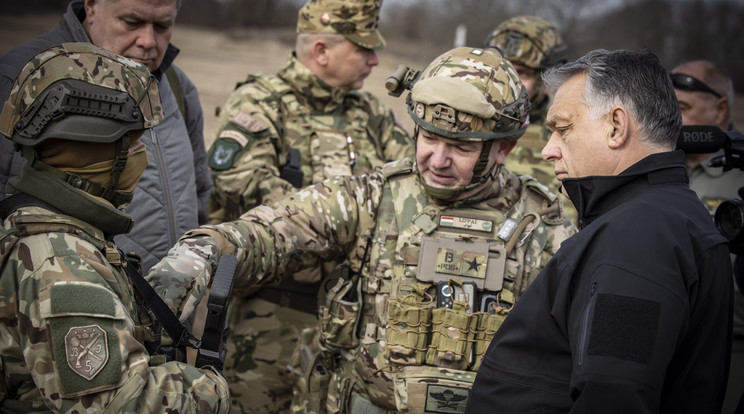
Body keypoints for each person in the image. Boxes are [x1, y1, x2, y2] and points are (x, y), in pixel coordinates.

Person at [147, 46, 576, 413]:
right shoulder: (373, 197)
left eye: (461, 148)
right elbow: (276, 230)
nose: (437, 160)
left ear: (505, 148)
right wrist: (205, 250)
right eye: (428, 138)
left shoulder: (546, 227)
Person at [467, 49, 733, 413]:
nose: (548, 150)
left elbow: (614, 395)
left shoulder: (638, 237)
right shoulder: (667, 215)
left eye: (563, 129)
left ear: (615, 126)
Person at [205, 0, 414, 412]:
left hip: (353, 327)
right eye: (363, 48)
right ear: (322, 51)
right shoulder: (261, 103)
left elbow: (409, 185)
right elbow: (242, 185)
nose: (375, 60)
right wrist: (351, 226)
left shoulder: (371, 112)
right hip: (273, 318)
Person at [0, 42, 228, 413]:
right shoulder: (62, 265)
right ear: (95, 148)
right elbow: (123, 403)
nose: (143, 154)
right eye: (134, 141)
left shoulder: (33, 218)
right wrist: (210, 386)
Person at [0, 0, 211, 273]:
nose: (148, 41)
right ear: (91, 6)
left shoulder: (178, 88)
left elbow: (201, 193)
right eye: (132, 22)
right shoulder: (21, 81)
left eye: (162, 26)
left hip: (167, 308)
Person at [670, 59, 744, 414]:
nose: (671, 118)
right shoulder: (659, 166)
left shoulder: (741, 176)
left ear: (720, 109)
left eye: (682, 108)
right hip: (662, 347)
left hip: (731, 353)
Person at [484, 15, 576, 222]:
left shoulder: (568, 135)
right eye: (501, 68)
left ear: (546, 78)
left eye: (522, 73)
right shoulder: (466, 124)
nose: (508, 82)